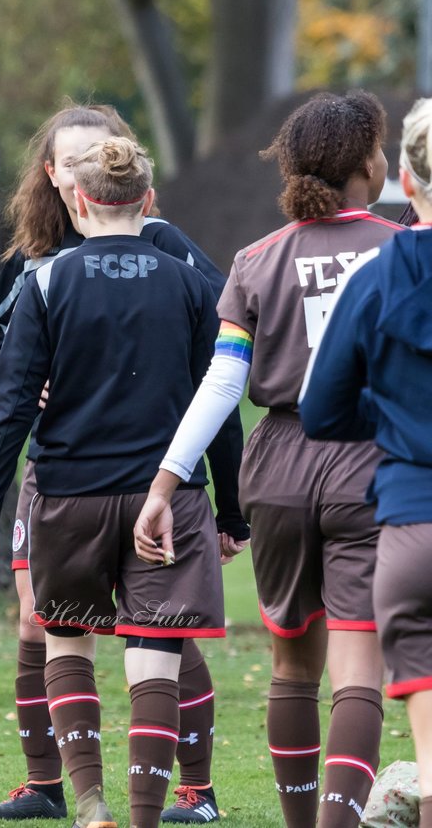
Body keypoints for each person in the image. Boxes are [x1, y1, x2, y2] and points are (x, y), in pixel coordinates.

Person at [0, 103, 246, 824]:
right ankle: (69, 791)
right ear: (53, 173)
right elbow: (221, 388)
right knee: (98, 630)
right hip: (105, 474)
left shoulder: (166, 261)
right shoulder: (36, 262)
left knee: (119, 630)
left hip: (99, 480)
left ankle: (177, 790)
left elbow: (218, 360)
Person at [134, 90, 402, 828]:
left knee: (292, 667)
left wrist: (166, 482)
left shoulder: (255, 259)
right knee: (358, 671)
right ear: (366, 162)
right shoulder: (401, 246)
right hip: (368, 461)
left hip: (277, 465)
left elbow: (223, 382)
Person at [300, 97, 432, 828]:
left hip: (414, 530)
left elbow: (322, 412)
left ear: (405, 184)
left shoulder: (375, 280)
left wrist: (394, 418)